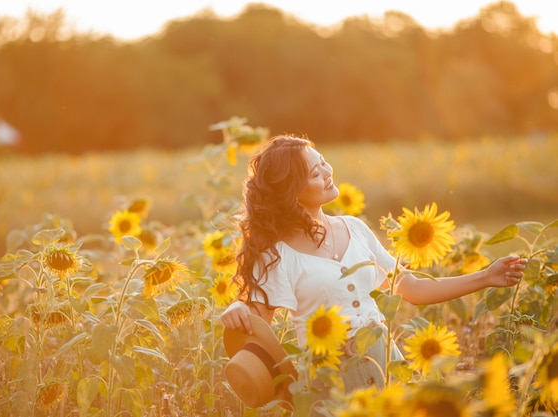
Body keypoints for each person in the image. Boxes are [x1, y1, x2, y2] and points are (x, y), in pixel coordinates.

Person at [221, 135, 527, 397]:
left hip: (388, 370)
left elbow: (413, 288)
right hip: (331, 384)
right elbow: (259, 323)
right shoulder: (277, 254)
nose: (328, 172)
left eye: (323, 161)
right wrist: (239, 310)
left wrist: (486, 276)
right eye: (316, 172)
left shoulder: (354, 228)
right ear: (293, 193)